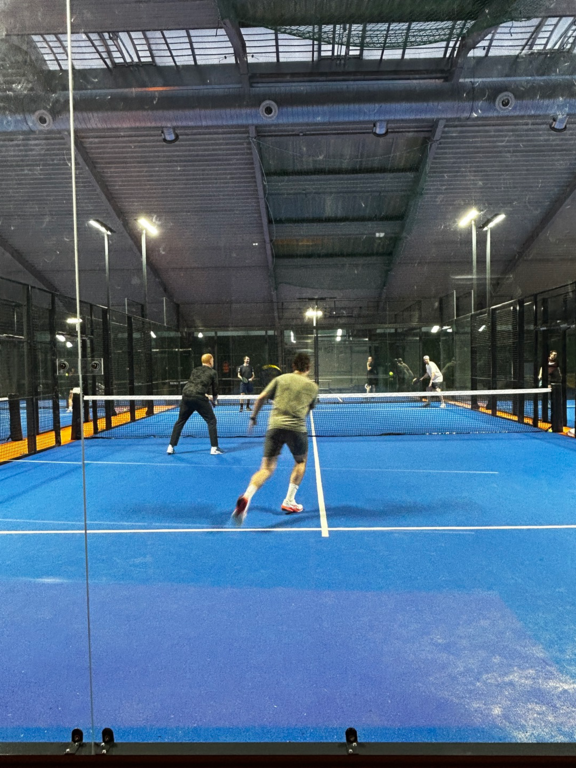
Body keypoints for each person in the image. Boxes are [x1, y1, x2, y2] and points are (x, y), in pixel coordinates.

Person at [232, 352, 318, 526]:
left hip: (275, 427)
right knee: (300, 462)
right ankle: (289, 500)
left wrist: (253, 417)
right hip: (296, 429)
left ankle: (247, 496)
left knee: (266, 469)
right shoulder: (312, 387)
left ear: (293, 366)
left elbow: (261, 397)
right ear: (308, 367)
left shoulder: (281, 379)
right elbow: (309, 409)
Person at [167, 353, 223, 455]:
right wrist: (214, 400)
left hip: (186, 396)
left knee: (180, 421)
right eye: (213, 360)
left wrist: (206, 395)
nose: (213, 362)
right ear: (210, 361)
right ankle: (214, 448)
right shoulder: (213, 372)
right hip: (199, 398)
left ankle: (170, 446)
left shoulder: (195, 370)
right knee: (211, 421)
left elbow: (195, 385)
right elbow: (215, 389)